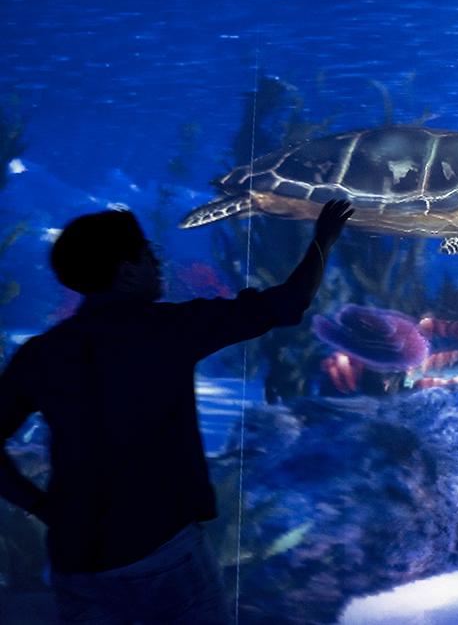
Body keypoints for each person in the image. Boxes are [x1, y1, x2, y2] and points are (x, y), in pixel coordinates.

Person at [0, 199, 353, 623]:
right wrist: (322, 240)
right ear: (126, 271)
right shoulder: (167, 329)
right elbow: (287, 302)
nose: (158, 264)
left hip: (75, 558)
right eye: (150, 255)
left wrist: (39, 507)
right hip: (161, 547)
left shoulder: (41, 353)